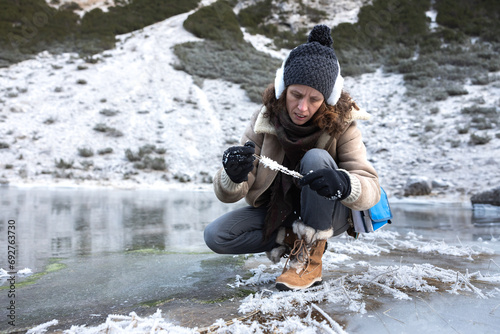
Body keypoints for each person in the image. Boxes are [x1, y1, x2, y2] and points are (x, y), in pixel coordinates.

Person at [204, 25, 380, 291]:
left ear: (327, 99)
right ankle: (289, 237)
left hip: (330, 214)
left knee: (316, 158)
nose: (302, 107)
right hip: (281, 211)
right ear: (283, 88)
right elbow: (232, 192)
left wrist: (344, 183)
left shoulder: (344, 126)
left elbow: (371, 188)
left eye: (314, 99)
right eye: (296, 95)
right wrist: (233, 175)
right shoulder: (264, 120)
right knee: (217, 236)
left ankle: (308, 258)